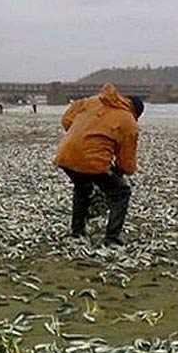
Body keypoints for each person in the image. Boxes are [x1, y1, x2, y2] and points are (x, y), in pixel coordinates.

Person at [54, 83, 144, 247]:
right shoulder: (128, 120)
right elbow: (126, 162)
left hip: (65, 155)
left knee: (82, 188)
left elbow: (66, 119)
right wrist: (120, 171)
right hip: (91, 161)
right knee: (121, 192)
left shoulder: (92, 101)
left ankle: (77, 231)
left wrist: (82, 134)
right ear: (135, 112)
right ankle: (111, 238)